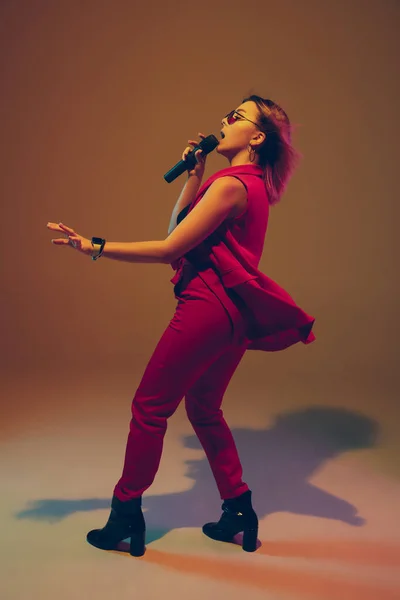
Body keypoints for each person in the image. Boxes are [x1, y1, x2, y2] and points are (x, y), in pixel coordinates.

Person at [47, 95, 315, 556]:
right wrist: (195, 175)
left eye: (236, 116)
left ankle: (126, 514)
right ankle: (239, 509)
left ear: (257, 136)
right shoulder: (241, 184)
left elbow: (169, 249)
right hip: (235, 317)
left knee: (149, 409)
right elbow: (178, 227)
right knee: (205, 409)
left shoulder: (231, 186)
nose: (224, 119)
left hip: (206, 309)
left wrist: (94, 245)